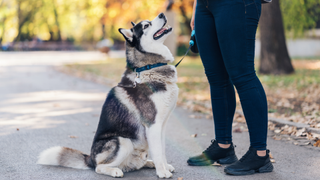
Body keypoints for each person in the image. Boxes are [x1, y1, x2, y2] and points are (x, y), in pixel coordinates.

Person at [187, 0, 274, 175]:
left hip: (236, 3)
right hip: (205, 6)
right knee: (216, 77)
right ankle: (223, 145)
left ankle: (259, 153)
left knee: (243, 75)